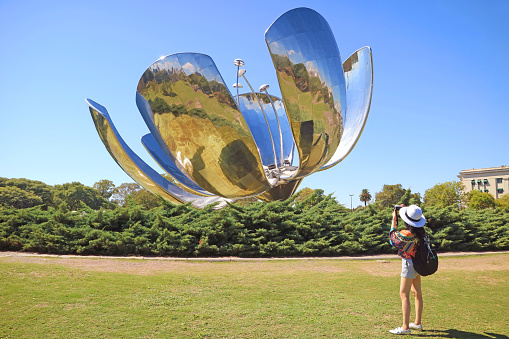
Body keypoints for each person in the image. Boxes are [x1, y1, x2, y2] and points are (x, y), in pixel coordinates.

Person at [389, 204, 426, 335]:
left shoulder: (406, 234)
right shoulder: (421, 232)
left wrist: (394, 220)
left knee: (404, 295)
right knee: (417, 293)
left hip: (409, 264)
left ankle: (405, 327)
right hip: (418, 263)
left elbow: (392, 240)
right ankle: (417, 323)